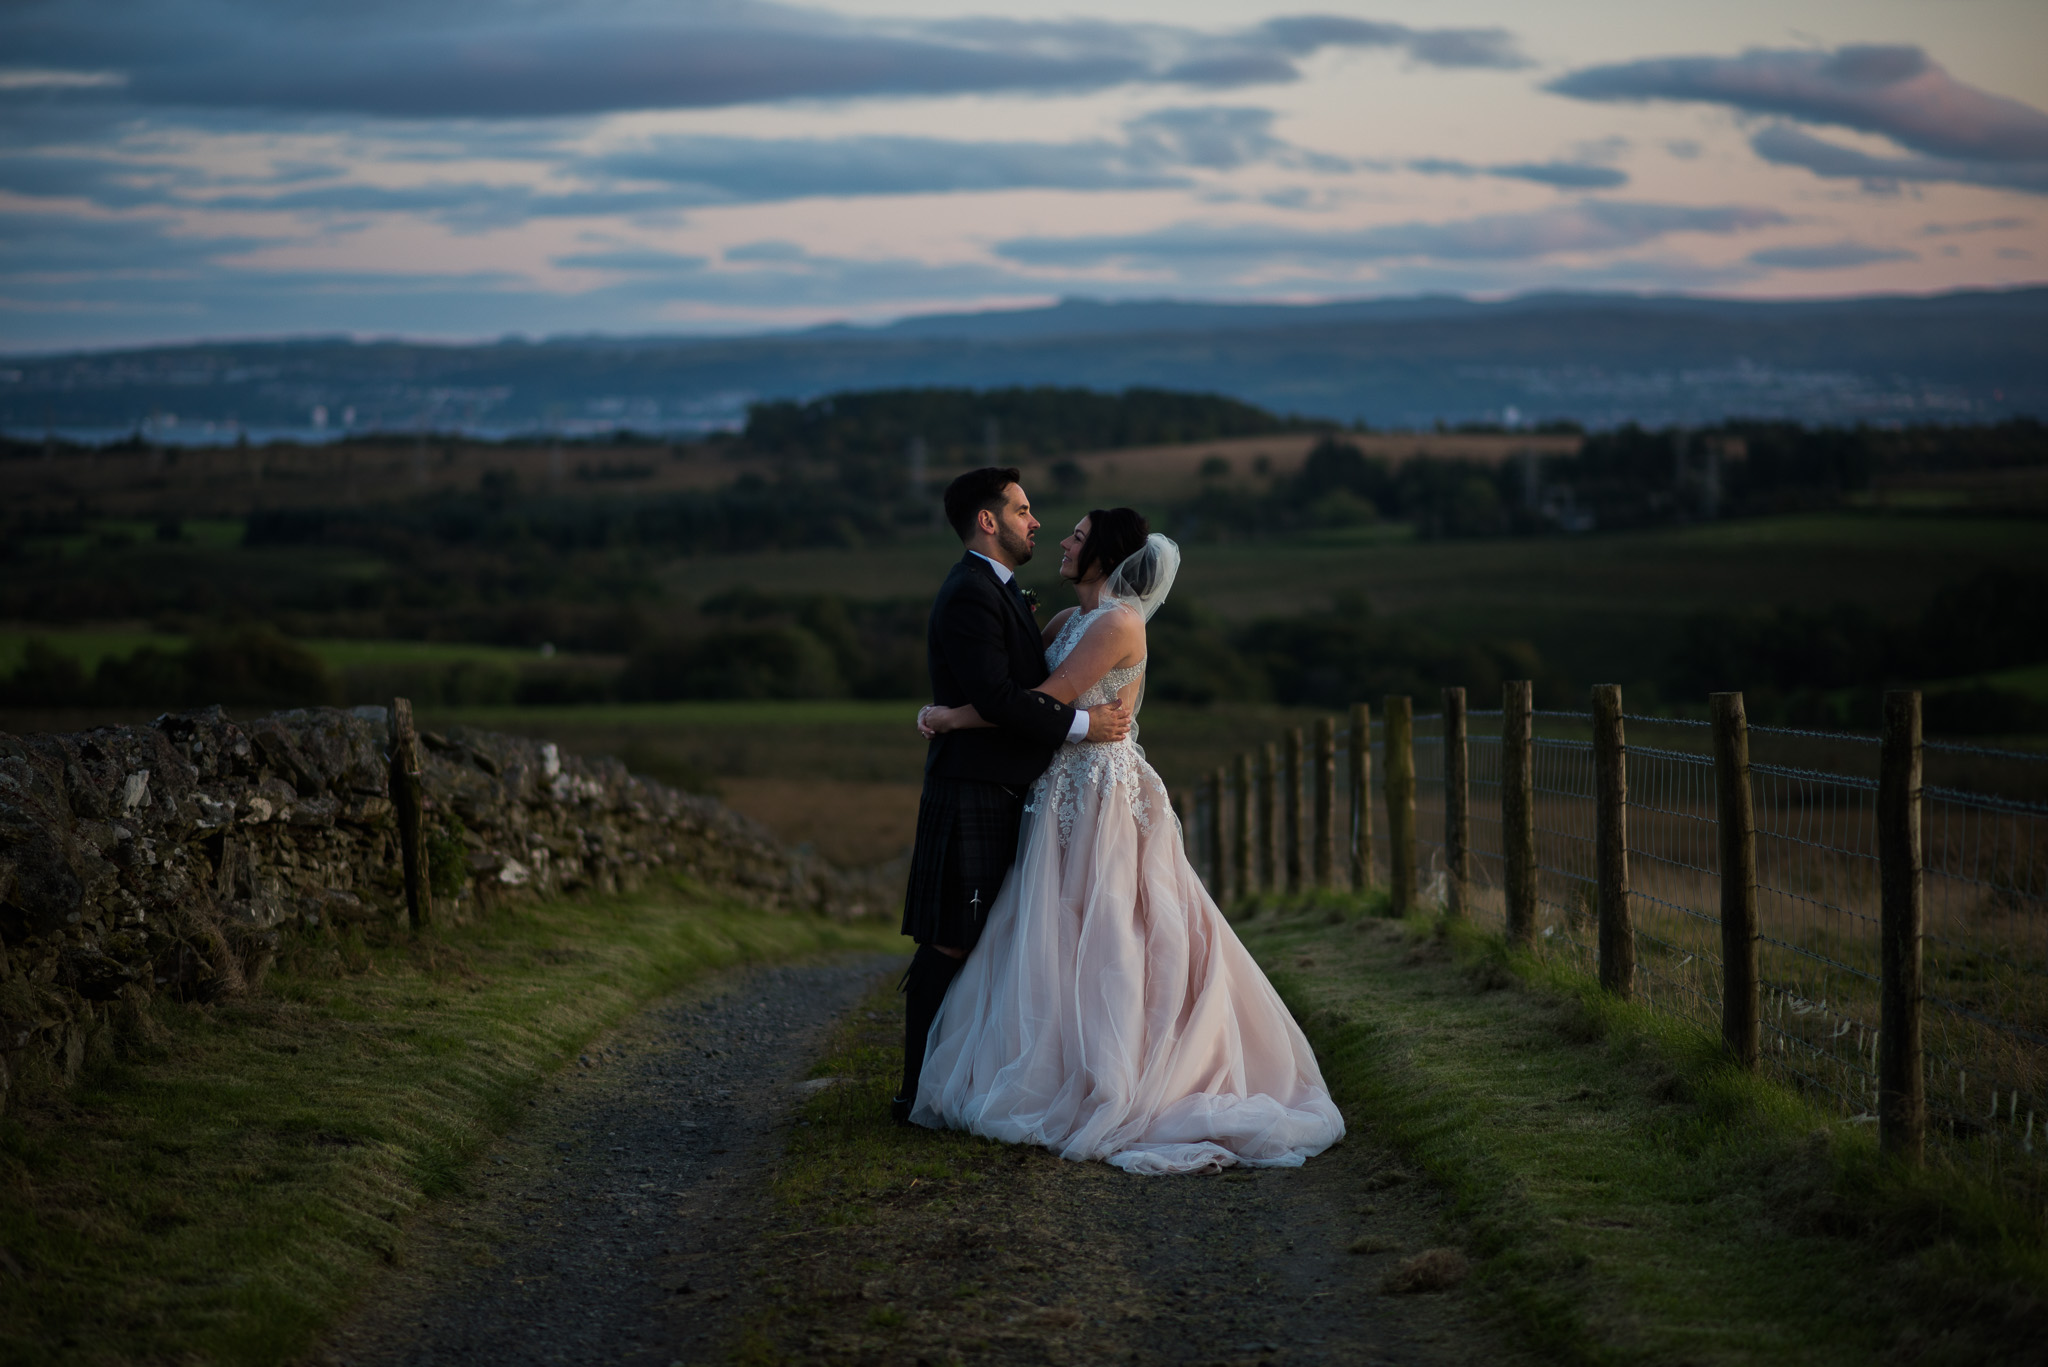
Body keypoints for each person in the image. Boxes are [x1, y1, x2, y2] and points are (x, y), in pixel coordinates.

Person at [910, 507, 1345, 1175]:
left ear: (1104, 556)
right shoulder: (1065, 620)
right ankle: (1051, 1063)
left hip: (1103, 795)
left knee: (1111, 927)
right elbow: (1016, 698)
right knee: (1050, 927)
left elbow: (1048, 697)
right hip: (1058, 788)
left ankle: (1120, 1072)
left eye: (1077, 537)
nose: (1061, 539)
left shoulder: (1119, 622)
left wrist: (947, 718)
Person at [894, 468, 1132, 1125]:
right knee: (953, 940)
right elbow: (1002, 700)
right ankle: (916, 1088)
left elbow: (1024, 686)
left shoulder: (1002, 591)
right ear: (988, 521)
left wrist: (948, 713)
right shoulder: (971, 593)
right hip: (972, 784)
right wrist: (1089, 725)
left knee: (992, 938)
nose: (1038, 523)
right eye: (1024, 510)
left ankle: (964, 1075)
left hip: (1008, 787)